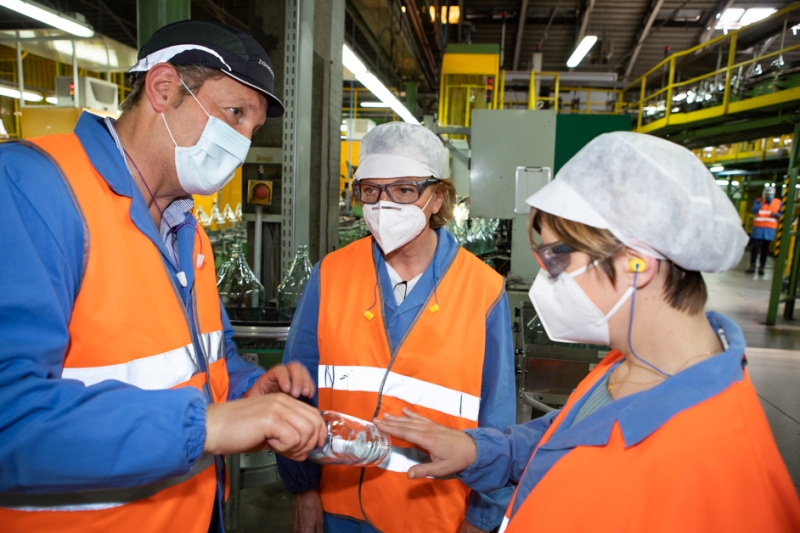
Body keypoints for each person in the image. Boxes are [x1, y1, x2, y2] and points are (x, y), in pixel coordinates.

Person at [376, 132, 800, 532]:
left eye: (557, 258)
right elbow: (565, 440)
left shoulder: (719, 476)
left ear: (637, 264)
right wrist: (478, 451)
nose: (546, 278)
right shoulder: (632, 363)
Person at [0, 21, 326, 533]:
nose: (242, 144)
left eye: (253, 129)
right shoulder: (32, 189)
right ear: (163, 88)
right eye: (235, 114)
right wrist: (206, 426)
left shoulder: (187, 233)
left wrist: (247, 390)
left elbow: (200, 362)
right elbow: (10, 417)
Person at [276, 122, 516, 533]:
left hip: (433, 514)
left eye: (404, 190)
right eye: (371, 190)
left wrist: (482, 518)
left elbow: (497, 417)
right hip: (338, 508)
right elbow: (298, 390)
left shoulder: (483, 290)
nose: (383, 205)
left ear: (437, 197)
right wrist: (303, 489)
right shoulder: (332, 274)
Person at [746, 185, 782, 275]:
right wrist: (762, 202)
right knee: (755, 248)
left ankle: (762, 267)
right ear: (764, 194)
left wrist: (776, 215)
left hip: (769, 230)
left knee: (765, 249)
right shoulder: (758, 201)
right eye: (767, 194)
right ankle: (752, 265)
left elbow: (782, 216)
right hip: (758, 229)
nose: (769, 196)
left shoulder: (778, 202)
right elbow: (754, 211)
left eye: (771, 195)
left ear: (774, 194)